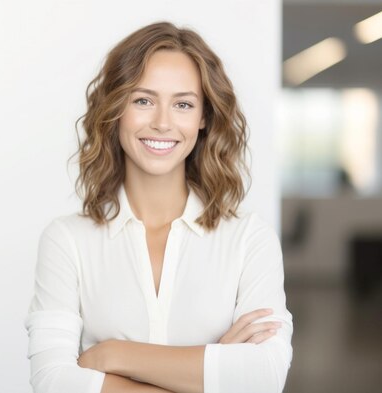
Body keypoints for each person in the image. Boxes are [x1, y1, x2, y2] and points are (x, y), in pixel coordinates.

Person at [24, 21, 293, 393]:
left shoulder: (249, 239)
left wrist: (112, 355)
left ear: (203, 118)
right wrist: (213, 371)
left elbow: (263, 377)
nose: (163, 122)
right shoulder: (66, 240)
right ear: (116, 109)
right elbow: (53, 383)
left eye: (183, 104)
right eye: (143, 100)